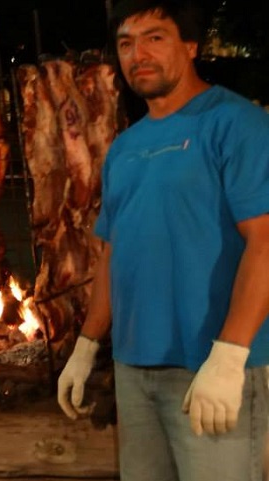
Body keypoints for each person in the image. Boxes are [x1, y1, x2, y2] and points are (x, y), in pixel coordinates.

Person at [57, 0, 269, 480]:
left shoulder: (237, 126)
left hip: (211, 367)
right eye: (127, 44)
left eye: (155, 38)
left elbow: (266, 243)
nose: (139, 55)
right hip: (135, 371)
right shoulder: (126, 147)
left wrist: (230, 357)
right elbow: (115, 251)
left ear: (191, 47)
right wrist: (87, 346)